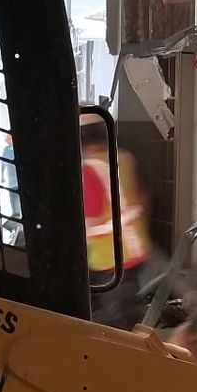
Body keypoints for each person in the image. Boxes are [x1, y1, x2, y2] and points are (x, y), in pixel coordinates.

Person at [80, 116, 157, 328]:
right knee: (127, 312)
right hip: (133, 250)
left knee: (114, 321)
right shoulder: (124, 158)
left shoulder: (89, 169)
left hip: (107, 258)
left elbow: (91, 215)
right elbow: (143, 199)